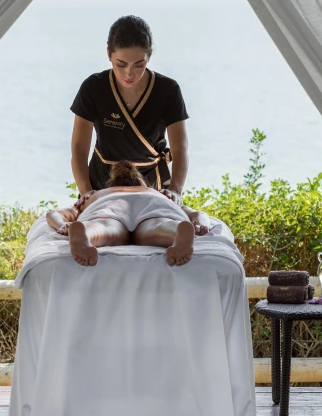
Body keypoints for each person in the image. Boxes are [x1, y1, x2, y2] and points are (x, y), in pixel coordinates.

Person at [70, 15, 189, 210]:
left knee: (153, 232)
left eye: (139, 65)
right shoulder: (93, 88)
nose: (129, 74)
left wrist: (175, 190)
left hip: (151, 188)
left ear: (149, 56)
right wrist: (86, 192)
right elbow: (78, 148)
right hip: (101, 186)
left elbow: (180, 147)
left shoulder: (167, 90)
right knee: (102, 230)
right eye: (121, 64)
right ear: (109, 54)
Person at [47, 161, 209, 267]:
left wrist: (62, 225)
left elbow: (54, 214)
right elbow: (196, 213)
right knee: (157, 224)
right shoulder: (159, 193)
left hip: (109, 204)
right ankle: (175, 231)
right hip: (153, 203)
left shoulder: (96, 194)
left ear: (112, 183)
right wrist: (200, 223)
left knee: (105, 226)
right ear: (141, 182)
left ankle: (87, 233)